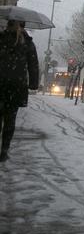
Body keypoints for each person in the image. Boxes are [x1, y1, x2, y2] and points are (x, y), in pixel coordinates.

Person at [0, 19, 40, 162]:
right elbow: (33, 65)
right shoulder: (27, 43)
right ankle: (4, 150)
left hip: (0, 83)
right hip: (16, 86)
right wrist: (33, 84)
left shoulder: (1, 38)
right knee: (10, 120)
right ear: (23, 27)